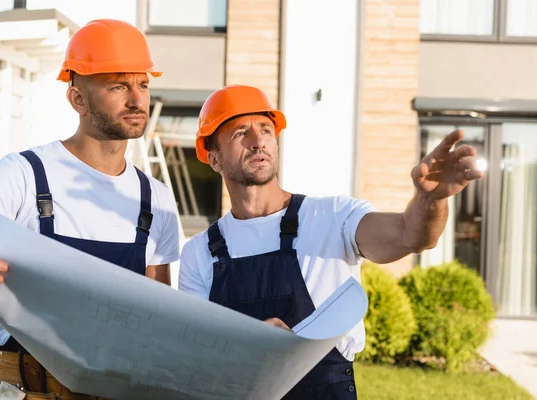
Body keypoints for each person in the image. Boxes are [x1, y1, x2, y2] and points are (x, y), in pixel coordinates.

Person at [178, 84, 483, 399]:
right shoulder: (201, 253)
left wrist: (430, 200)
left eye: (266, 129)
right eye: (241, 133)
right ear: (213, 159)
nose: (258, 142)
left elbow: (411, 235)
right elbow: (198, 354)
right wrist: (252, 347)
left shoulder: (332, 217)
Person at [0, 19, 180, 400]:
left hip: (115, 388)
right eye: (118, 85)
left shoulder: (156, 199)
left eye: (143, 84)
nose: (137, 99)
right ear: (77, 99)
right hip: (24, 385)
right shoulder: (22, 175)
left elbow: (157, 319)